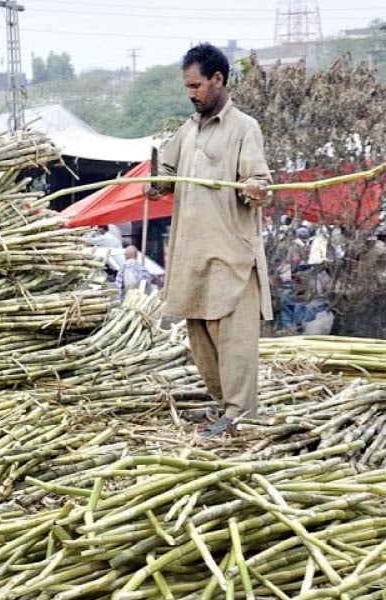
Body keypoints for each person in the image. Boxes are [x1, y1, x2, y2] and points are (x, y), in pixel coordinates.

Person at [144, 43, 272, 438]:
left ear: (218, 80)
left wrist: (254, 188)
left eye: (196, 85)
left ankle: (240, 415)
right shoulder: (188, 131)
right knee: (200, 340)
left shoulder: (243, 128)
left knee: (234, 343)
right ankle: (223, 407)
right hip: (192, 255)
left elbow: (261, 182)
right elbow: (164, 172)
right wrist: (156, 182)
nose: (191, 93)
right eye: (187, 86)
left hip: (230, 256)